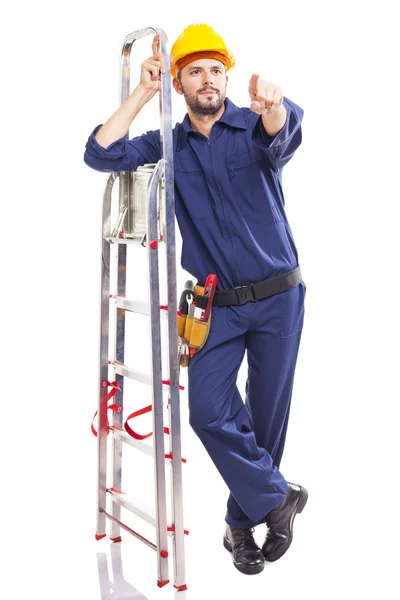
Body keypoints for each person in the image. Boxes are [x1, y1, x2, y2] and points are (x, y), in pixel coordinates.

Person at [84, 23, 308, 576]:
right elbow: (99, 153)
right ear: (179, 83)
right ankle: (278, 499)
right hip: (213, 305)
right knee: (208, 411)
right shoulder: (167, 142)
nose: (207, 81)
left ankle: (240, 525)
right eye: (194, 72)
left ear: (225, 77)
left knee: (264, 418)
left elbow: (285, 133)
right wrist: (141, 92)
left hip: (279, 296)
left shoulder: (255, 123)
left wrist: (275, 106)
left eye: (215, 71)